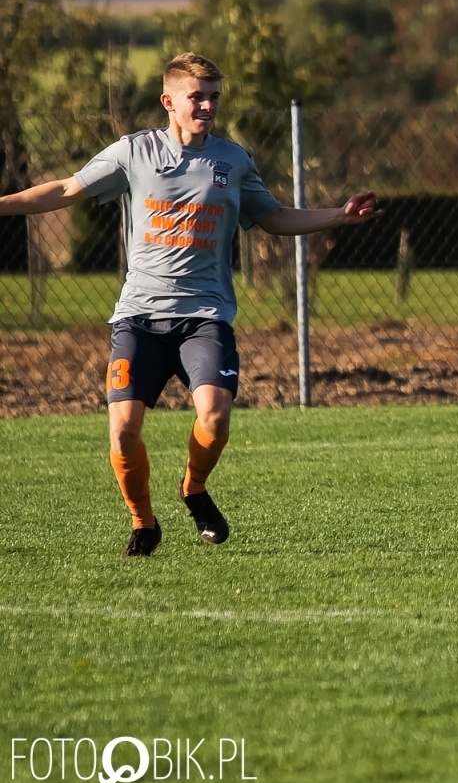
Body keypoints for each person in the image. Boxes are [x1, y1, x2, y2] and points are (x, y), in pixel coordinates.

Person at [0, 53, 381, 556]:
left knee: (216, 417)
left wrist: (340, 216)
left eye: (214, 97)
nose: (207, 106)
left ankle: (193, 488)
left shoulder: (233, 161)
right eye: (196, 97)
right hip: (139, 318)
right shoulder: (133, 152)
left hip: (204, 317)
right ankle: (143, 522)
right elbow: (67, 188)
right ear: (169, 101)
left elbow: (273, 217)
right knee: (122, 432)